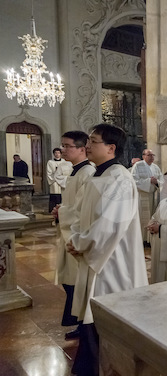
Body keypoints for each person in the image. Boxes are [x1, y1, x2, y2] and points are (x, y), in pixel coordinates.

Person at [55, 123, 148, 376]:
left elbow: (110, 223)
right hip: (96, 255)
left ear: (111, 148)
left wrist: (81, 243)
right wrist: (77, 237)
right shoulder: (98, 174)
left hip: (111, 261)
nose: (89, 146)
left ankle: (92, 372)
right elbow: (87, 215)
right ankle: (91, 369)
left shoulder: (119, 178)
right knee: (91, 313)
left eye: (94, 142)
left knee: (100, 314)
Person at [53, 131, 96, 341]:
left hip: (77, 235)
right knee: (70, 282)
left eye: (67, 146)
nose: (63, 150)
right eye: (62, 146)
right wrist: (61, 209)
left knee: (77, 282)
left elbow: (83, 210)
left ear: (82, 149)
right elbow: (73, 205)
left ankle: (84, 324)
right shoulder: (75, 171)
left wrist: (62, 211)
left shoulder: (87, 173)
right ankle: (79, 321)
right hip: (69, 232)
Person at [131, 148, 164, 243]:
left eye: (153, 155)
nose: (151, 157)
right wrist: (149, 181)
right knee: (142, 218)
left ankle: (150, 239)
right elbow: (133, 181)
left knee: (152, 217)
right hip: (141, 196)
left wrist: (156, 182)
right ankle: (141, 239)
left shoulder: (156, 167)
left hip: (153, 197)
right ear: (143, 156)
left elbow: (162, 181)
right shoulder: (138, 165)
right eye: (149, 155)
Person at [47, 147, 72, 213]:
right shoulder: (50, 162)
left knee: (62, 195)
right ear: (53, 154)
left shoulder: (65, 162)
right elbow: (49, 173)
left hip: (63, 180)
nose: (57, 154)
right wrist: (54, 179)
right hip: (54, 181)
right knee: (54, 195)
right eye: (55, 153)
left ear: (61, 154)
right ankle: (52, 210)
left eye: (58, 153)